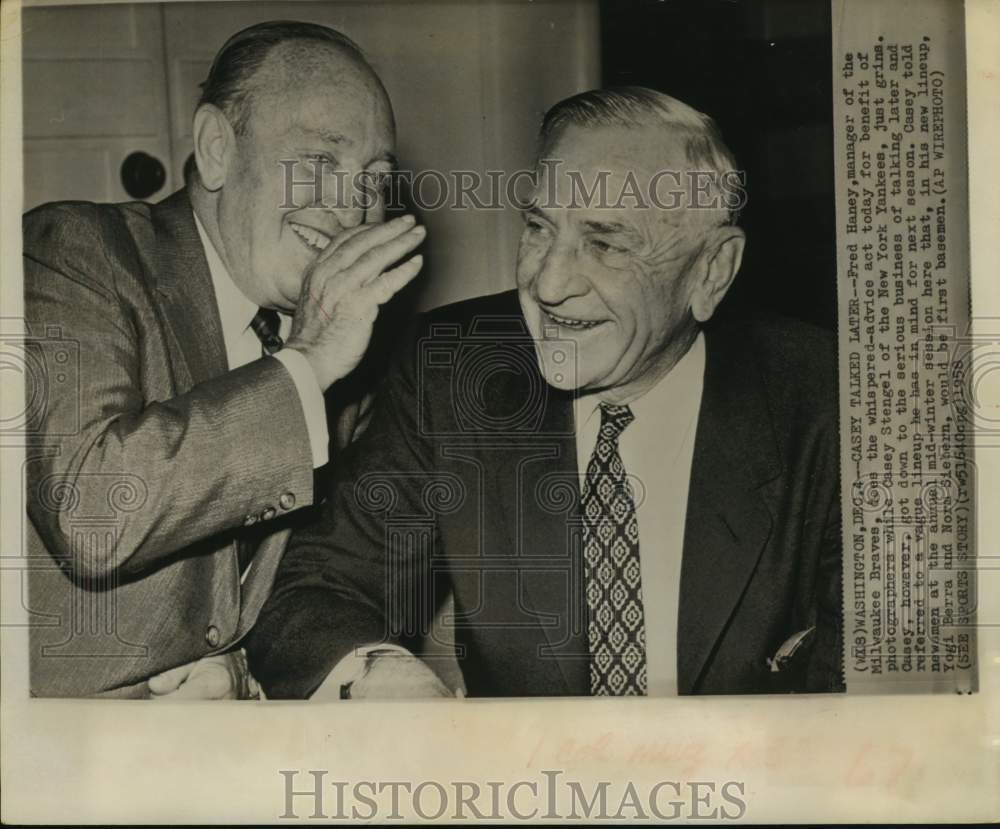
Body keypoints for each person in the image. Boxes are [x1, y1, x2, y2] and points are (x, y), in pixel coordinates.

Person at [247, 87, 843, 698]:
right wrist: (378, 677)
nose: (548, 284)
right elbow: (316, 590)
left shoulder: (828, 400)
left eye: (605, 243)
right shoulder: (453, 370)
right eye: (538, 228)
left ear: (712, 271)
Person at [23, 20, 425, 698]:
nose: (350, 208)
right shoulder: (73, 252)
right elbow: (93, 514)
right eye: (319, 163)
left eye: (372, 182)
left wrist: (363, 665)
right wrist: (306, 363)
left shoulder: (349, 356)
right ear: (216, 149)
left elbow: (309, 580)